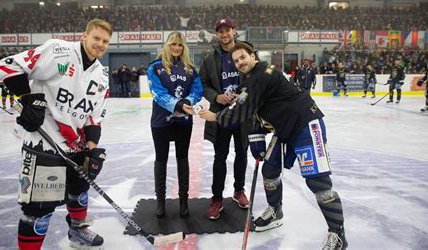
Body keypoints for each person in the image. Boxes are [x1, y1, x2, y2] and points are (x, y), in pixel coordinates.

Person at [199, 42, 348, 249]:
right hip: (285, 128)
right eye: (236, 61)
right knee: (269, 170)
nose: (240, 63)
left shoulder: (261, 74)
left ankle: (337, 233)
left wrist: (216, 116)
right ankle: (275, 211)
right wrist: (256, 137)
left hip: (305, 125)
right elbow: (255, 110)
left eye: (243, 57)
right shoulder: (251, 78)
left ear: (253, 56)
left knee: (318, 182)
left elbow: (243, 109)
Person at [0, 18, 112, 249]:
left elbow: (93, 117)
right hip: (43, 142)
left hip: (75, 146)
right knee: (38, 209)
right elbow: (7, 66)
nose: (100, 44)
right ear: (84, 36)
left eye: (105, 41)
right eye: (96, 38)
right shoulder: (58, 50)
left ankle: (77, 232)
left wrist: (91, 148)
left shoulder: (102, 77)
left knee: (79, 190)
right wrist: (30, 100)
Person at [147, 31, 203, 219]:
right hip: (160, 122)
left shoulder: (190, 69)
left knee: (182, 159)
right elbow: (157, 92)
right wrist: (178, 104)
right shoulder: (155, 68)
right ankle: (160, 202)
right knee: (161, 159)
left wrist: (187, 102)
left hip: (183, 122)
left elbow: (197, 90)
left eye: (180, 44)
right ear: (167, 45)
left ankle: (183, 202)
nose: (177, 48)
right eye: (173, 44)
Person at [199, 17, 250, 220]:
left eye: (227, 30)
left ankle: (239, 191)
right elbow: (202, 82)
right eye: (221, 31)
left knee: (242, 154)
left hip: (242, 115)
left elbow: (255, 78)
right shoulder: (210, 57)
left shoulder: (244, 53)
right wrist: (215, 96)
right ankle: (217, 199)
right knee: (219, 157)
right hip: (220, 114)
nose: (225, 34)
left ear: (234, 31)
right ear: (217, 35)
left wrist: (243, 95)